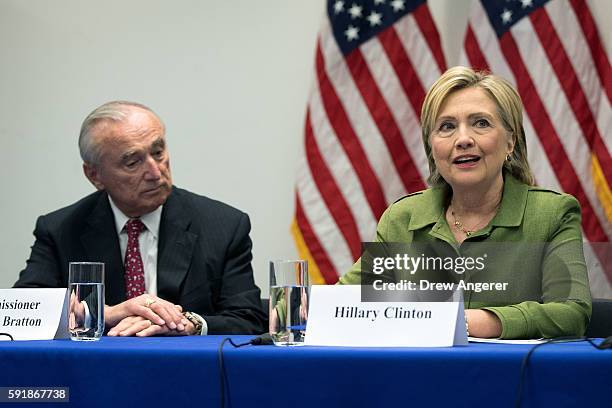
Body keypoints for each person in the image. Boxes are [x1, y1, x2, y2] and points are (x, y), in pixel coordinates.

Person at [339, 66, 592, 339]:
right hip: (419, 377)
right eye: (447, 127)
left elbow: (571, 313)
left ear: (510, 141)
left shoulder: (553, 214)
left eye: (481, 123)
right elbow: (343, 303)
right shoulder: (401, 219)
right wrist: (290, 307)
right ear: (432, 148)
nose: (463, 139)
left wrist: (464, 321)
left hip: (512, 378)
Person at [14, 101, 266, 336]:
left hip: (191, 371)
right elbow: (21, 311)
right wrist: (106, 313)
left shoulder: (223, 226)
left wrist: (189, 322)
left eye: (158, 152)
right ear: (94, 175)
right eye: (133, 162)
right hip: (95, 372)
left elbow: (248, 318)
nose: (155, 172)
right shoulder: (60, 230)